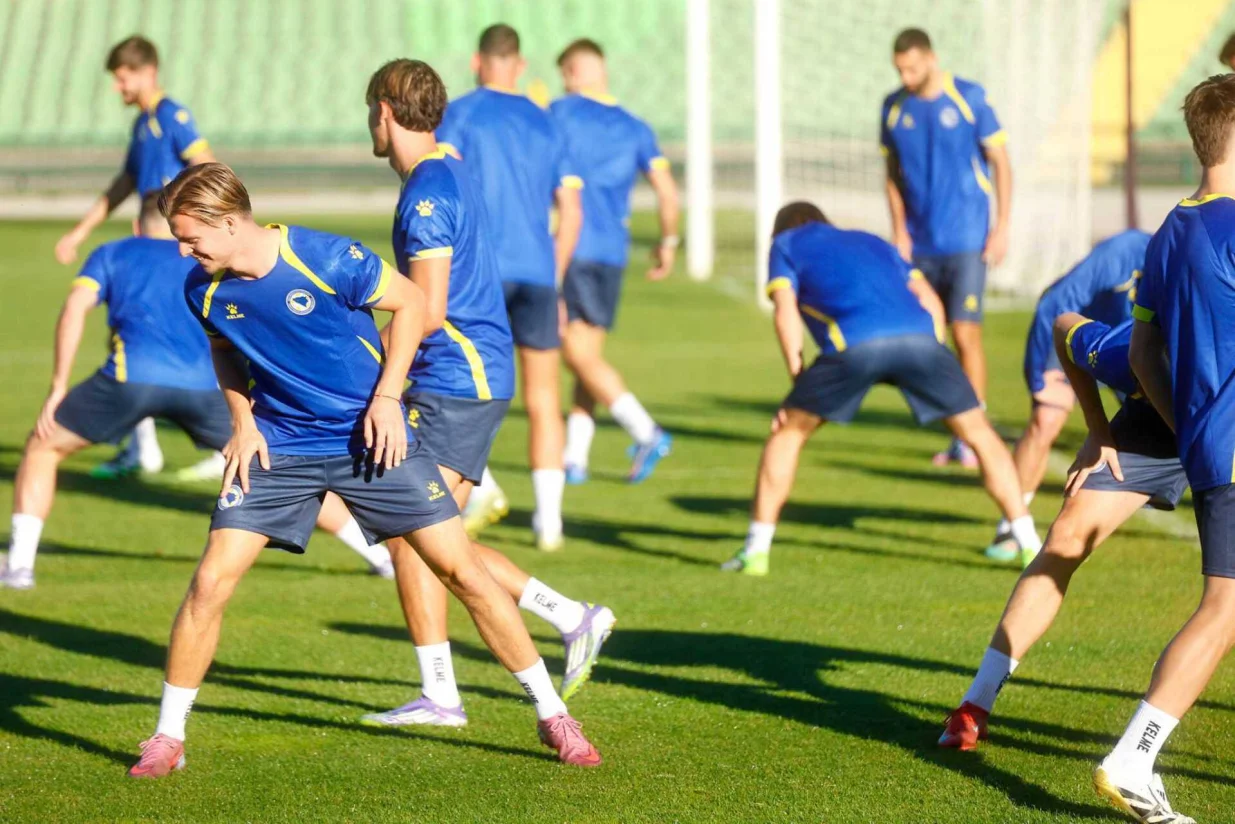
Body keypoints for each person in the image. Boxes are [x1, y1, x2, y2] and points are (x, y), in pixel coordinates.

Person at [125, 164, 601, 778]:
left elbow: (414, 303)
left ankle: (552, 714)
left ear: (230, 221)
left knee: (463, 572)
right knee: (210, 582)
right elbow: (223, 346)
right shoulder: (204, 288)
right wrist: (242, 422)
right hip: (280, 447)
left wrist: (386, 400)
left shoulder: (325, 256)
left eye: (192, 237)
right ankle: (168, 737)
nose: (183, 250)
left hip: (369, 439)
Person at [358, 59, 615, 726]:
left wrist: (374, 371)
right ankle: (547, 629)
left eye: (370, 111)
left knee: (419, 534)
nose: (369, 124)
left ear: (386, 110)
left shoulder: (427, 193)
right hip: (462, 378)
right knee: (422, 536)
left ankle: (468, 680)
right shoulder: (444, 168)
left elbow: (430, 308)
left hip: (456, 382)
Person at [719, 202, 1040, 577]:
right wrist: (935, 354)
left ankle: (756, 552)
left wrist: (798, 379)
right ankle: (1029, 542)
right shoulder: (873, 241)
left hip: (856, 342)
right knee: (980, 435)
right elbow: (931, 302)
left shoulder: (785, 244)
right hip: (923, 340)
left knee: (788, 433)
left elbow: (784, 311)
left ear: (781, 230)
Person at [939, 315, 1185, 756]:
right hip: (1155, 432)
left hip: (1221, 435)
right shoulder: (1127, 354)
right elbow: (1063, 328)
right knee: (1065, 539)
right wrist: (1098, 429)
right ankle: (975, 705)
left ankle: (1138, 751)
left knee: (1225, 597)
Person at [1093, 74, 1235, 824]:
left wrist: (1188, 421)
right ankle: (1133, 755)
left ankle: (1135, 755)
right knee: (1222, 608)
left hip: (1212, 440)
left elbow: (1143, 349)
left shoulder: (1170, 229)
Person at [2, 197, 230, 590]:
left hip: (129, 382)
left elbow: (75, 307)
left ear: (137, 227)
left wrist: (58, 386)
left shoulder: (113, 252)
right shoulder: (205, 259)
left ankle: (20, 567)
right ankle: (374, 556)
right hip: (203, 389)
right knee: (275, 471)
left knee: (43, 446)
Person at [436, 23, 583, 550]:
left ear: (478, 62)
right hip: (539, 276)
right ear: (520, 66)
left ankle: (483, 488)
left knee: (462, 386)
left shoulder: (462, 113)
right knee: (544, 397)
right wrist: (557, 277)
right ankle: (550, 523)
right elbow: (571, 210)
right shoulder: (546, 122)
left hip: (481, 275)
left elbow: (443, 183)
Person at [54, 35, 218, 481]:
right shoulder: (142, 126)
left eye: (123, 77)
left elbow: (208, 167)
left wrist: (209, 233)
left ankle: (227, 438)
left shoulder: (172, 116)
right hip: (151, 240)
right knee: (129, 336)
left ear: (147, 72)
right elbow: (123, 184)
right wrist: (80, 231)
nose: (118, 87)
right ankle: (143, 448)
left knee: (209, 336)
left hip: (178, 246)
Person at [881, 28, 1011, 469]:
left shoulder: (969, 97)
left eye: (912, 67)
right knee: (928, 339)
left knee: (965, 333)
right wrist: (899, 230)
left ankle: (974, 436)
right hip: (921, 245)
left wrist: (1002, 227)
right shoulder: (894, 108)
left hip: (967, 240)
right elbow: (892, 174)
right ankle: (959, 433)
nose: (906, 75)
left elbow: (1001, 162)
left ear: (931, 58)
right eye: (899, 69)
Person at [551, 38, 679, 485]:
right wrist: (668, 240)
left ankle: (647, 431)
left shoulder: (559, 113)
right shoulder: (636, 126)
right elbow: (667, 192)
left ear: (571, 73)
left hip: (574, 246)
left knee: (574, 353)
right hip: (612, 254)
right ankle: (575, 458)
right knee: (587, 356)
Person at [985, 230, 1150, 562]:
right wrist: (1038, 380)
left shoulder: (1195, 265)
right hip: (1072, 336)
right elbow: (1055, 303)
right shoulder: (1126, 250)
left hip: (1124, 349)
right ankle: (1011, 527)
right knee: (1046, 419)